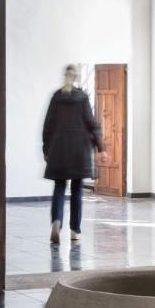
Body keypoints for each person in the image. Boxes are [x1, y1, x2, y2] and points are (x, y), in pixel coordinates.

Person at [42, 64, 107, 243]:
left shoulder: (56, 98)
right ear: (76, 77)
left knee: (59, 187)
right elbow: (92, 124)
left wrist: (46, 150)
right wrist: (101, 148)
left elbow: (48, 126)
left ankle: (56, 221)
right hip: (79, 151)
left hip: (59, 150)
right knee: (77, 190)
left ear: (65, 76)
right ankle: (74, 231)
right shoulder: (82, 98)